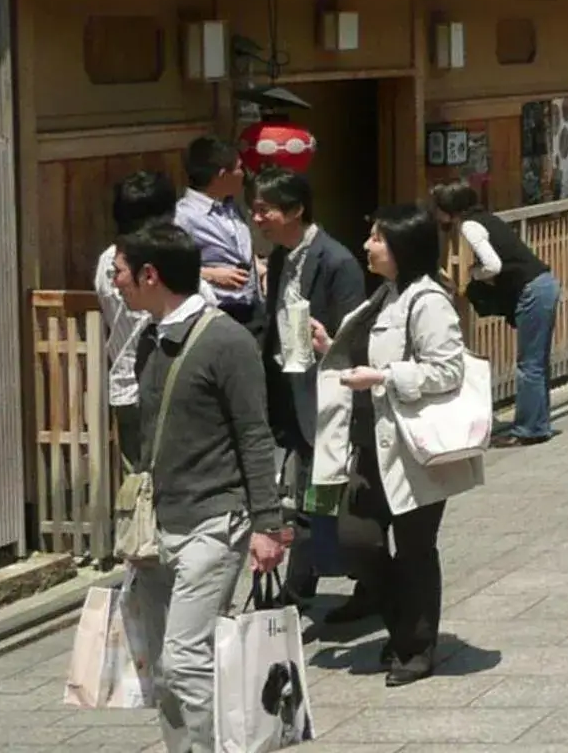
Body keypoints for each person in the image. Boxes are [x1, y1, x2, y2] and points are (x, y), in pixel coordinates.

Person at [116, 222, 286, 750]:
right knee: (165, 669)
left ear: (150, 274)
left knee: (186, 659)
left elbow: (255, 435)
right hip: (160, 524)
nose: (114, 282)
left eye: (119, 271)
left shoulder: (227, 341)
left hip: (216, 520)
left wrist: (268, 524)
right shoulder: (147, 339)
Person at [311, 205, 481, 685]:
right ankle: (401, 625)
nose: (368, 245)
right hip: (368, 447)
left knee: (414, 549)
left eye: (378, 238)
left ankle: (416, 647)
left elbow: (448, 370)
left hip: (412, 450)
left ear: (403, 246)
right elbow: (368, 355)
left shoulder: (429, 301)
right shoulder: (383, 296)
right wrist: (331, 348)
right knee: (356, 540)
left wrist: (385, 376)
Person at [251, 168, 364, 606]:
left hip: (325, 394)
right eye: (254, 210)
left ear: (296, 210)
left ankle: (357, 578)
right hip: (288, 388)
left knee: (327, 496)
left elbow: (350, 338)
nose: (258, 219)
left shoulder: (337, 262)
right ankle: (306, 581)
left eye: (266, 210)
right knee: (303, 496)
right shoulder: (281, 255)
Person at [434, 180, 558, 448]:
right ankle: (539, 423)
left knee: (530, 365)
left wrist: (473, 274)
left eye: (439, 209)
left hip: (532, 290)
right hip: (543, 284)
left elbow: (493, 264)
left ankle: (529, 429)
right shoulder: (485, 219)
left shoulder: (469, 226)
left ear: (449, 209)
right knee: (537, 362)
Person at [96, 170, 181, 477]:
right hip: (167, 388)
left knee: (138, 489)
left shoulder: (108, 260)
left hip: (124, 388)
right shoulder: (160, 261)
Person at [175, 136, 259, 327]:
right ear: (222, 175)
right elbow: (167, 267)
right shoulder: (183, 217)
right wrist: (210, 274)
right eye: (239, 168)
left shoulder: (232, 207)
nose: (244, 174)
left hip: (252, 310)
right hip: (216, 313)